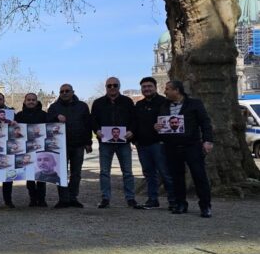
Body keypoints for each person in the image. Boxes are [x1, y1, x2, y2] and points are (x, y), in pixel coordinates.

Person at [156, 81, 214, 218]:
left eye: (167, 89)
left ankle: (205, 206)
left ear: (177, 90)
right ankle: (180, 204)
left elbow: (205, 123)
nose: (165, 92)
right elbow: (161, 124)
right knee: (176, 177)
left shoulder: (194, 104)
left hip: (192, 146)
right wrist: (157, 127)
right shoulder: (164, 105)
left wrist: (208, 140)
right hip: (171, 146)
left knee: (199, 176)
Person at [91, 77, 137, 208]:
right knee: (104, 172)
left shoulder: (127, 101)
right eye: (109, 85)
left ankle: (130, 198)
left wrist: (131, 131)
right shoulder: (98, 103)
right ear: (106, 87)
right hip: (105, 142)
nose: (112, 88)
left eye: (115, 85)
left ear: (119, 86)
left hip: (123, 142)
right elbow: (93, 120)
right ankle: (105, 198)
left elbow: (134, 119)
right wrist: (97, 130)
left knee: (127, 172)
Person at [133, 77, 176, 209]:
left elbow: (173, 121)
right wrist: (134, 139)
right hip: (142, 144)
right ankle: (152, 199)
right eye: (144, 87)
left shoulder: (165, 102)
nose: (146, 89)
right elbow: (135, 123)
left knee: (165, 172)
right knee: (149, 174)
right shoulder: (139, 105)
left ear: (155, 87)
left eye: (149, 86)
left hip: (159, 144)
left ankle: (173, 201)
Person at [47, 83, 91, 208]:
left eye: (67, 91)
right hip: (60, 146)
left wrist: (88, 142)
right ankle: (63, 199)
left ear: (73, 92)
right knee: (61, 173)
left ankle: (73, 197)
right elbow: (47, 121)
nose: (64, 93)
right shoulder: (54, 107)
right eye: (62, 91)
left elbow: (88, 125)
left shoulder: (82, 106)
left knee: (76, 173)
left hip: (78, 144)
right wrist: (56, 116)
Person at [14, 93, 51, 207]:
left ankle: (42, 199)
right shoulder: (19, 115)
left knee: (41, 174)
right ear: (25, 101)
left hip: (41, 149)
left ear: (36, 101)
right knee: (29, 176)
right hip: (25, 149)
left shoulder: (44, 115)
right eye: (29, 100)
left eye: (33, 100)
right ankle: (33, 198)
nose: (31, 101)